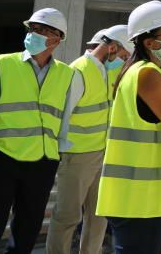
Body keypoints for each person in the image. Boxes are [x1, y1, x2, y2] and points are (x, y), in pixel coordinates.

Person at [97, 0, 161, 254]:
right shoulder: (147, 74)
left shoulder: (140, 72)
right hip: (139, 198)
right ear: (149, 42)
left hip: (142, 196)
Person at [0, 8, 78, 254]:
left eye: (43, 30)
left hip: (43, 160)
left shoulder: (67, 74)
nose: (35, 34)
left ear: (57, 39)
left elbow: (65, 116)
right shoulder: (4, 63)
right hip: (2, 156)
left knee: (28, 227)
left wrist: (59, 149)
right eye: (33, 29)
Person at [46, 24, 133, 254]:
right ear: (112, 47)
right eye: (123, 55)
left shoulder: (111, 71)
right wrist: (63, 151)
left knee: (99, 217)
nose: (124, 61)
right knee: (67, 216)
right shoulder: (79, 70)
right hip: (79, 155)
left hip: (104, 154)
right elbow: (63, 115)